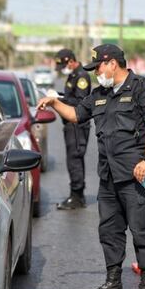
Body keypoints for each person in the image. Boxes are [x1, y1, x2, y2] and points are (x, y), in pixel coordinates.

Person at [37, 44, 145, 289]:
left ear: (112, 64)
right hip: (108, 176)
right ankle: (113, 281)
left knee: (142, 231)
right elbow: (76, 115)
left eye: (97, 67)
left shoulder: (142, 88)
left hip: (135, 175)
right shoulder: (99, 94)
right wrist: (55, 103)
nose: (95, 73)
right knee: (110, 230)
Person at [54, 48, 92, 210]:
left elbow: (80, 101)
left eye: (63, 65)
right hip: (70, 124)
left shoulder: (82, 75)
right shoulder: (73, 75)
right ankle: (77, 195)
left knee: (75, 160)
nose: (63, 69)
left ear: (71, 60)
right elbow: (72, 95)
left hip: (77, 125)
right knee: (73, 160)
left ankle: (77, 196)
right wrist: (59, 96)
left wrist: (58, 99)